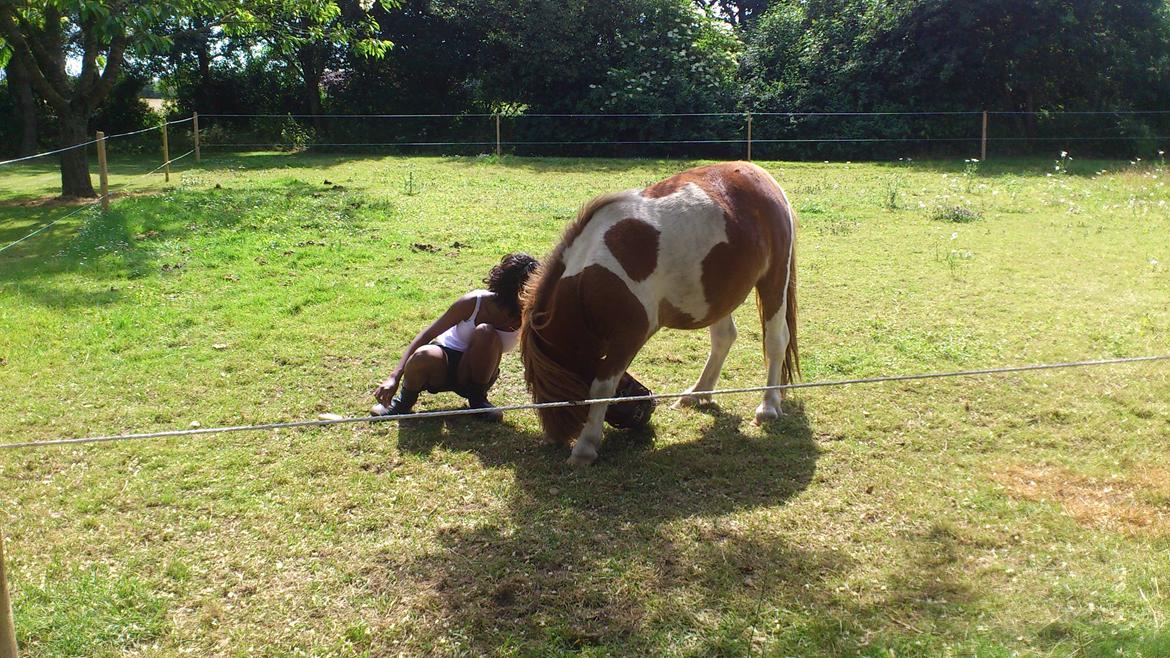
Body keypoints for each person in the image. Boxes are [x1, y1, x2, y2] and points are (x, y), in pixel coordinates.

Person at [372, 253, 539, 421]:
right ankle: (403, 402)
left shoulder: (530, 315)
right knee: (424, 354)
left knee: (485, 333)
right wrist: (393, 378)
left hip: (478, 372)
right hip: (443, 361)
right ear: (514, 288)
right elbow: (427, 335)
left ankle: (478, 400)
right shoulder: (475, 302)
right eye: (530, 289)